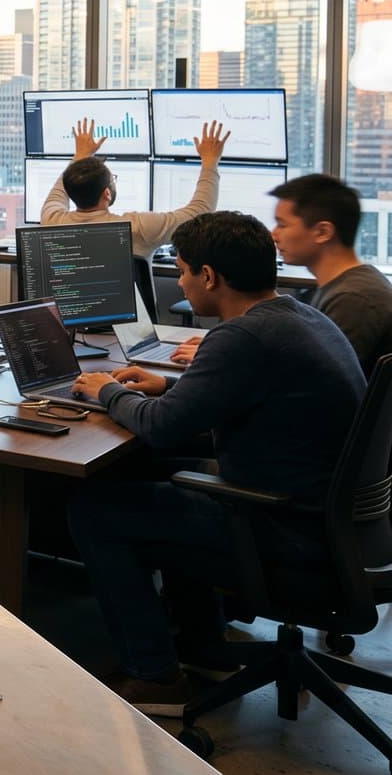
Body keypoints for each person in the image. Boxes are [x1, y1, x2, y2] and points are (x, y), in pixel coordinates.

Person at [67, 212, 365, 716]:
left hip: (285, 532)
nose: (179, 280)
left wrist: (109, 390)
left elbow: (161, 427)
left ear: (209, 277)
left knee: (93, 509)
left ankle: (155, 676)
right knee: (157, 475)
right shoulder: (299, 315)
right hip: (331, 524)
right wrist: (168, 385)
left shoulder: (241, 338)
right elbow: (234, 396)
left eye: (182, 270)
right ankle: (204, 646)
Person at [171, 173, 392, 373]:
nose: (274, 235)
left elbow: (312, 380)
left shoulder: (353, 299)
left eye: (282, 225)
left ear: (322, 232)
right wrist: (227, 352)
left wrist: (224, 358)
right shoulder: (345, 287)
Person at [42, 118, 228, 258]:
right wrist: (210, 162)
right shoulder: (138, 228)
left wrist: (81, 155)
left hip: (71, 309)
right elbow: (199, 212)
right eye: (112, 180)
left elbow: (60, 191)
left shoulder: (52, 221)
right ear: (107, 193)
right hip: (132, 311)